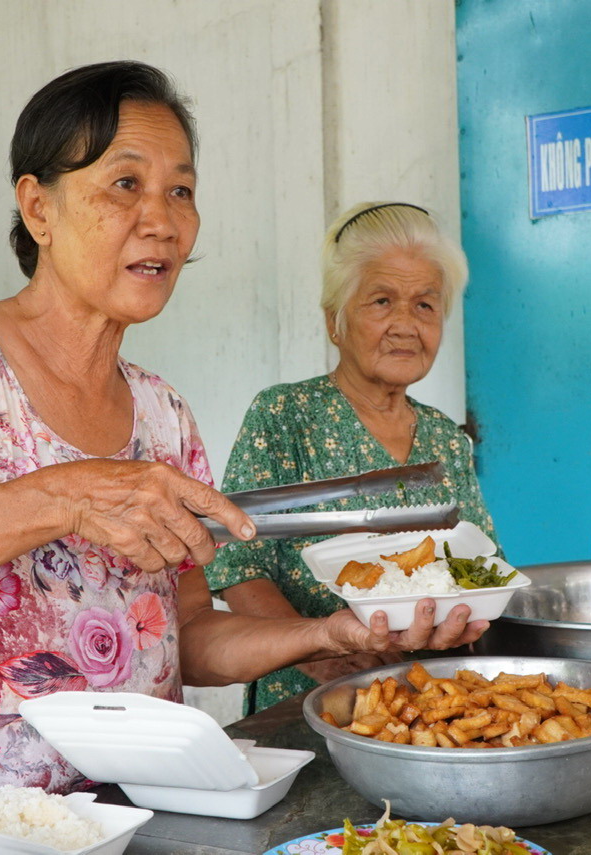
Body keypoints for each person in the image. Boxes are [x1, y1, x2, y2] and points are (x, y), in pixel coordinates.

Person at [0, 64, 486, 842]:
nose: (162, 220)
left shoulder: (162, 414)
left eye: (180, 191)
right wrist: (64, 497)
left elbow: (186, 633)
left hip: (115, 825)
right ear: (38, 207)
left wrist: (327, 636)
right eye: (125, 184)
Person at [205, 202, 501, 712]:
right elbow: (238, 565)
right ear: (335, 322)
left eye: (426, 306)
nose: (406, 325)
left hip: (425, 702)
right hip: (303, 698)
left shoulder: (446, 440)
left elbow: (480, 567)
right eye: (382, 301)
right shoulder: (284, 415)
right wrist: (319, 650)